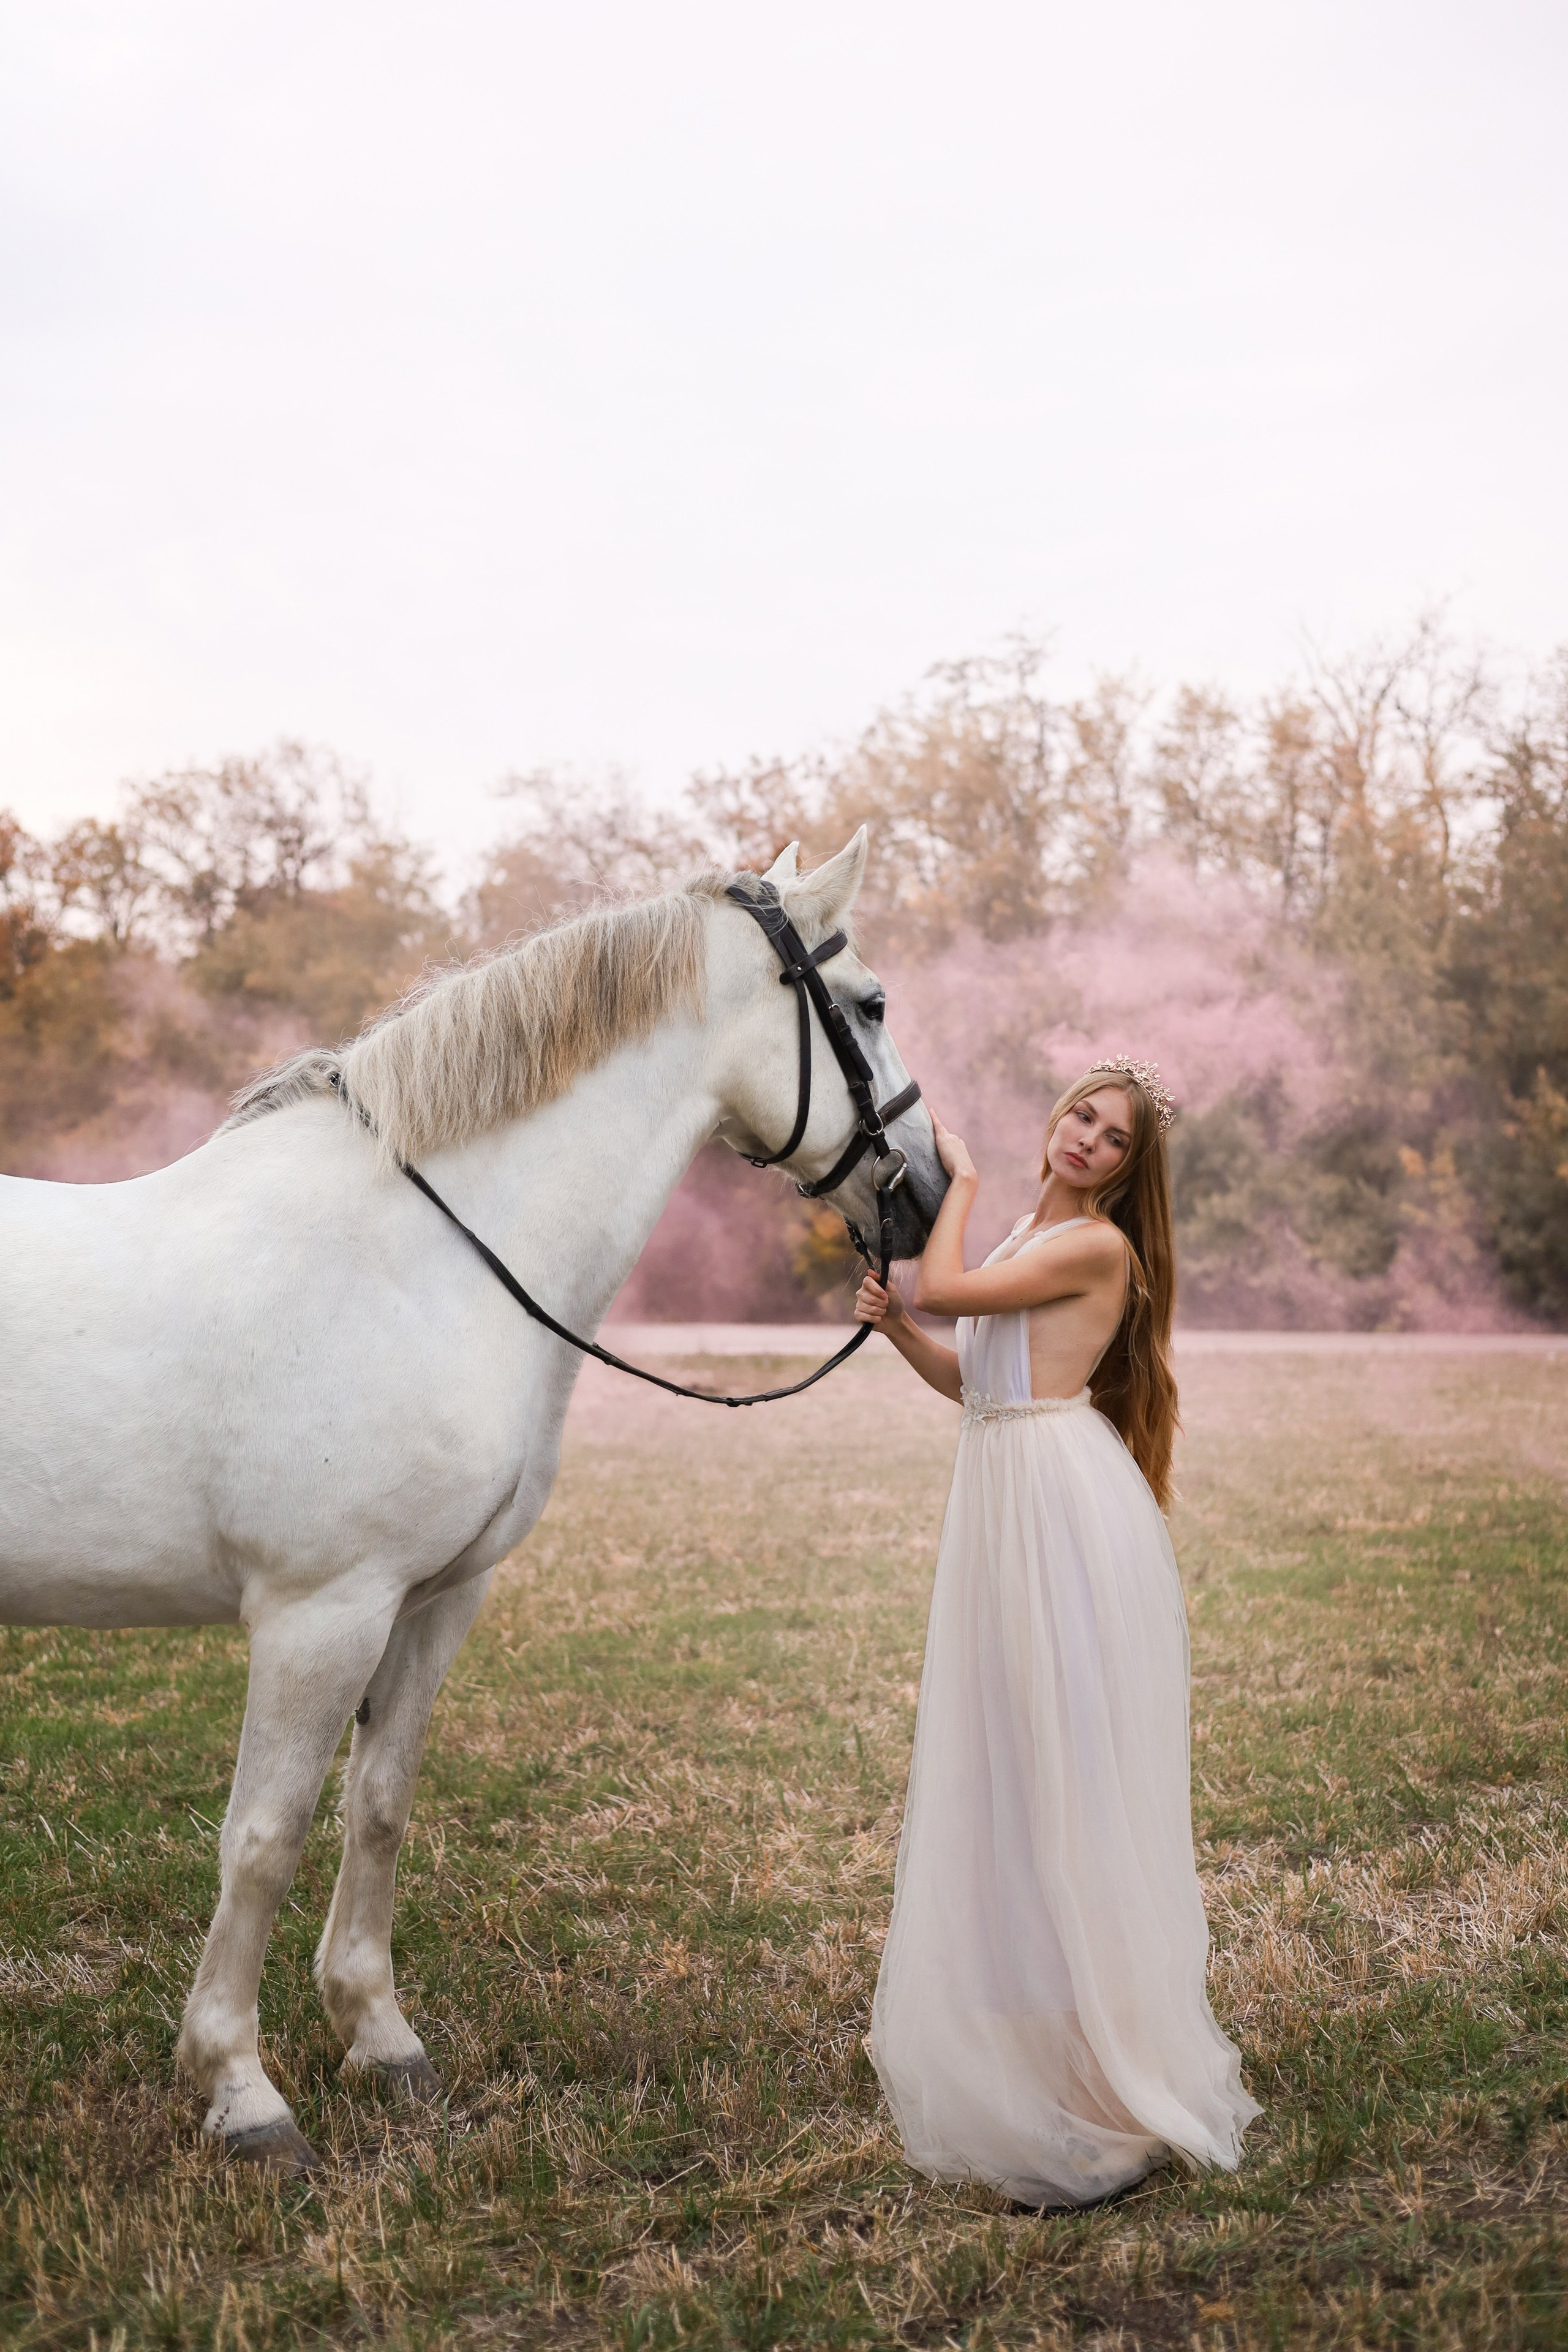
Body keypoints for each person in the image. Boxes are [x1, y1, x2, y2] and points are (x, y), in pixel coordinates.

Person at [856, 1057, 1259, 2208]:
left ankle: (1104, 2070)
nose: (1086, 1139)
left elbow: (947, 1290)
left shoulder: (1093, 1247)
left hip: (1055, 1505)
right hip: (1006, 1476)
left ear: (1131, 1174)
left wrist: (964, 1177)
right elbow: (974, 1378)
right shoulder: (1043, 1225)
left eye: (1114, 1138)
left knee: (1063, 1769)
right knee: (1011, 1764)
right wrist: (891, 1332)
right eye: (1083, 1114)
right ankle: (1041, 2043)